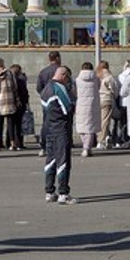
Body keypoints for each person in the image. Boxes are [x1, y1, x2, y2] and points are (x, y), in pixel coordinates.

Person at [40, 65, 77, 203]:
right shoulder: (58, 88)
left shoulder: (45, 89)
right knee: (63, 160)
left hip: (48, 127)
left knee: (51, 160)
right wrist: (72, 95)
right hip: (61, 128)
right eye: (67, 78)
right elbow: (68, 107)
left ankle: (49, 191)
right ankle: (63, 193)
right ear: (63, 75)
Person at [74, 61, 100, 157]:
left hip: (81, 104)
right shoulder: (96, 79)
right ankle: (87, 147)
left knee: (82, 127)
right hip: (92, 105)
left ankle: (85, 145)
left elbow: (74, 90)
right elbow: (99, 87)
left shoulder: (78, 79)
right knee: (90, 127)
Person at [97, 60, 119, 149]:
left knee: (98, 121)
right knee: (105, 121)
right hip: (107, 99)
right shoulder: (110, 77)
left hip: (98, 99)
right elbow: (114, 90)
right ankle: (101, 140)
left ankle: (101, 138)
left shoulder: (97, 76)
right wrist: (115, 96)